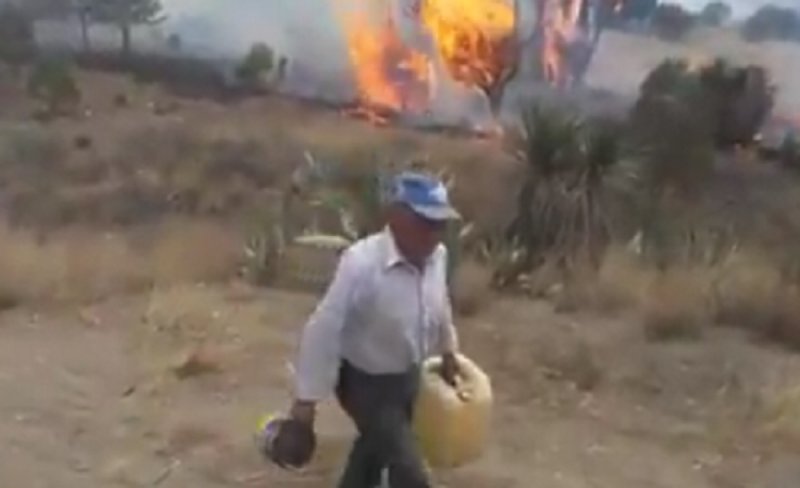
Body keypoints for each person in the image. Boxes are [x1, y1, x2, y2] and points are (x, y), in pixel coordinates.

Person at [285, 170, 462, 488]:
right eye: (426, 222)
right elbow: (324, 327)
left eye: (441, 224)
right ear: (397, 217)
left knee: (374, 452)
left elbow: (441, 304)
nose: (434, 233)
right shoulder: (361, 263)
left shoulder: (439, 257)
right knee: (409, 470)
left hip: (407, 379)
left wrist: (449, 349)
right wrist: (305, 402)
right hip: (363, 383)